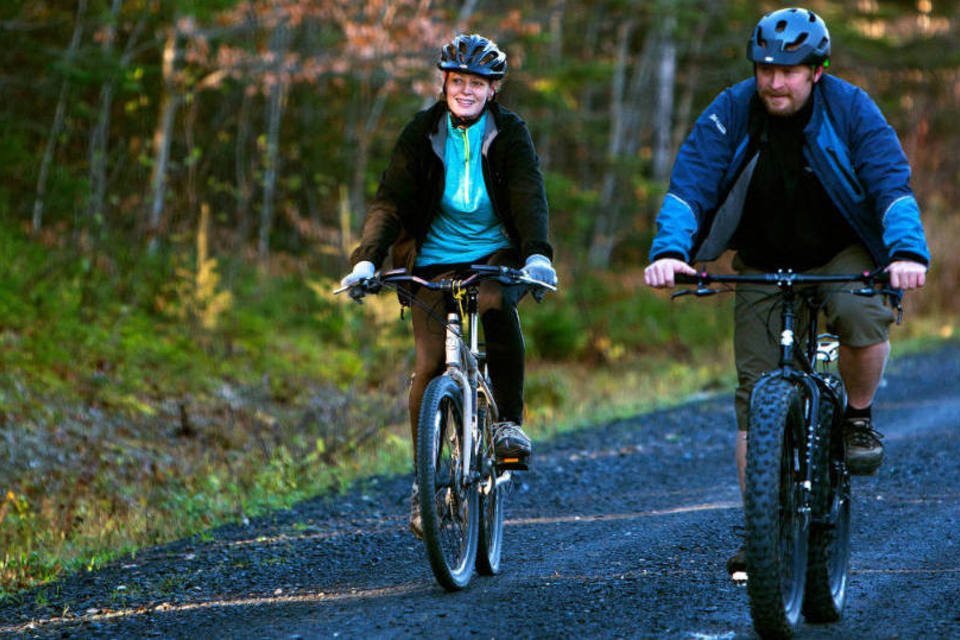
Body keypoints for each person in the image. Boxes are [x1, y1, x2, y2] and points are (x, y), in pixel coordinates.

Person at [642, 8, 929, 576]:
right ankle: (764, 529)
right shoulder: (731, 110)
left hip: (840, 252)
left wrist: (905, 252)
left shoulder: (851, 109)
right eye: (766, 69)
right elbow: (690, 184)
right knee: (755, 398)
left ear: (816, 71)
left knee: (860, 313)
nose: (775, 81)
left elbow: (889, 184)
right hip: (763, 260)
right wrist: (669, 251)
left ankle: (858, 418)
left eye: (790, 70)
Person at [339, 33, 557, 538]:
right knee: (428, 363)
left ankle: (505, 422)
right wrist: (367, 260)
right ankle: (425, 481)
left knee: (497, 304)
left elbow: (529, 195)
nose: (465, 91)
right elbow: (391, 200)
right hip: (432, 259)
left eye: (476, 83)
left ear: (493, 89)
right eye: (457, 81)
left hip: (494, 255)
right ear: (444, 84)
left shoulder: (509, 133)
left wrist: (538, 254)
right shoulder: (422, 132)